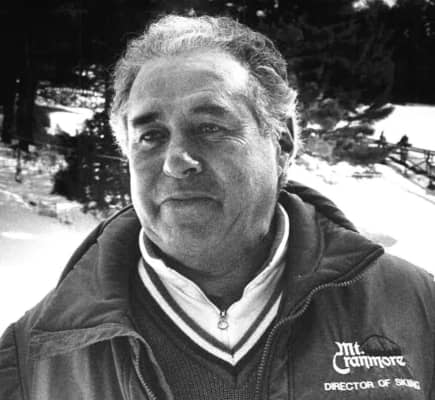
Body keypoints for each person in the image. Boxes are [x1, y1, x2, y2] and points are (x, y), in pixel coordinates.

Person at [1, 15, 434, 400]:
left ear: (283, 143)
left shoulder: (419, 311)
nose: (176, 161)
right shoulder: (33, 359)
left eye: (209, 127)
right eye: (150, 136)